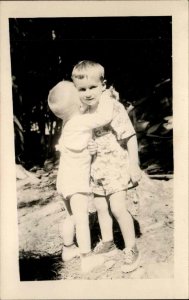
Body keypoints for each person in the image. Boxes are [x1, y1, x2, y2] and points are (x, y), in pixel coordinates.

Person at [71, 60, 142, 273]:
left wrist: (134, 164)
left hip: (116, 167)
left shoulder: (113, 107)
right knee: (101, 207)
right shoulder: (85, 112)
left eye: (93, 87)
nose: (88, 93)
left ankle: (131, 248)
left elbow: (129, 136)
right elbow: (91, 137)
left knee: (118, 208)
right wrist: (90, 146)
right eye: (82, 89)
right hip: (97, 169)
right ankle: (109, 241)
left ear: (103, 85)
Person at [47, 80, 115, 273]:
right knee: (82, 218)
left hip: (64, 181)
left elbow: (80, 147)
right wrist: (106, 96)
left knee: (71, 216)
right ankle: (87, 258)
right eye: (80, 93)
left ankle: (68, 249)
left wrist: (90, 148)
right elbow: (104, 116)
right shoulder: (80, 121)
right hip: (76, 181)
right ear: (79, 105)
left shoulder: (68, 123)